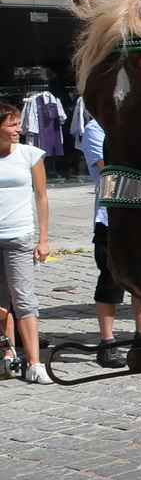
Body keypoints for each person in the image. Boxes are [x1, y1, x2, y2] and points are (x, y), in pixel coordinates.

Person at [78, 117, 141, 367]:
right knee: (110, 280)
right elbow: (109, 168)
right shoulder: (95, 129)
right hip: (110, 218)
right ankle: (107, 342)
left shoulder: (134, 124)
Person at [0, 101, 51, 383]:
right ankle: (8, 356)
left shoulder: (30, 154)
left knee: (24, 300)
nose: (19, 129)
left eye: (19, 123)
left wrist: (43, 238)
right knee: (0, 303)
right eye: (12, 125)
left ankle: (34, 363)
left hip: (20, 235)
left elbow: (41, 197)